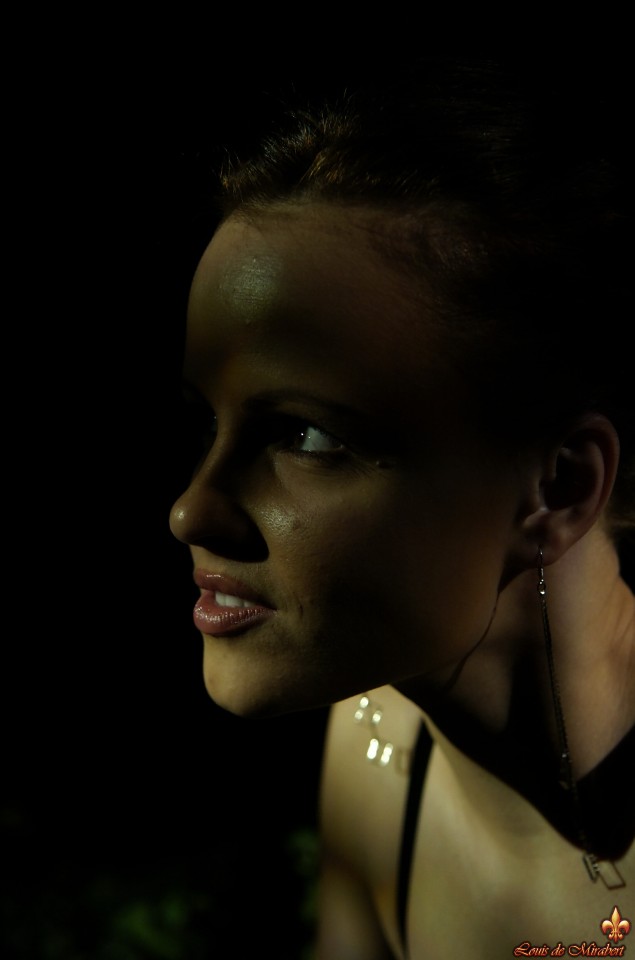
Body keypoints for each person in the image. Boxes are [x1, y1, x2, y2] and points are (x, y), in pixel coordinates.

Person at [169, 57, 634, 958]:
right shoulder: (376, 742)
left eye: (304, 434)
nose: (191, 512)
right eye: (207, 423)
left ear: (560, 488)